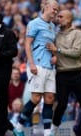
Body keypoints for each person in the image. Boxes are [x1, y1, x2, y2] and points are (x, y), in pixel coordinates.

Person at [14, 0, 59, 136]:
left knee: (50, 97)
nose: (56, 12)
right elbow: (27, 44)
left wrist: (55, 55)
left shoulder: (52, 26)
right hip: (37, 64)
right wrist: (31, 64)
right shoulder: (34, 23)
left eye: (57, 10)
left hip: (50, 66)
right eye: (54, 9)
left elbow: (51, 46)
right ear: (45, 7)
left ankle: (47, 132)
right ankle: (19, 126)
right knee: (36, 98)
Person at [46, 10, 81, 136]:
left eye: (61, 16)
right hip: (62, 74)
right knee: (61, 104)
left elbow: (76, 53)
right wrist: (54, 55)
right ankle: (54, 128)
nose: (58, 18)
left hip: (77, 73)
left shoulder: (77, 33)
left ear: (69, 19)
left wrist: (58, 50)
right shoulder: (56, 35)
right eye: (58, 16)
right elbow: (52, 51)